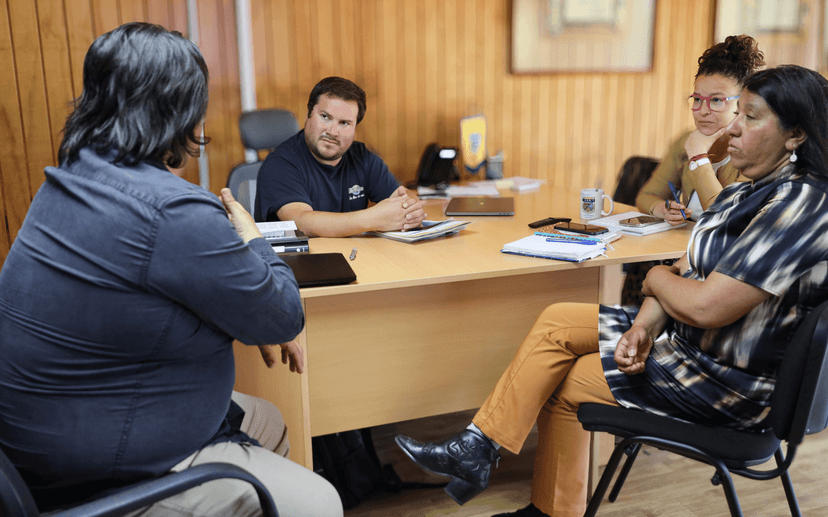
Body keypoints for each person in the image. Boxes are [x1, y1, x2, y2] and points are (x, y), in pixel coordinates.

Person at [395, 65, 828, 517]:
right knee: (557, 320)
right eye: (736, 112)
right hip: (692, 347)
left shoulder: (801, 204)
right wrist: (643, 325)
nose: (732, 128)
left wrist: (654, 278)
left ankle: (543, 505)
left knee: (568, 380)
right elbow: (687, 268)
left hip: (724, 385)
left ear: (795, 134)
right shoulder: (751, 190)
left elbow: (703, 304)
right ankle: (479, 447)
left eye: (750, 117)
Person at [0, 23, 342, 517]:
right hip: (96, 473)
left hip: (46, 439)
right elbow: (284, 314)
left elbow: (145, 294)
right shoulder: (170, 210)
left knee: (266, 417)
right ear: (181, 111)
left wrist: (247, 310)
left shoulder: (69, 179)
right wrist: (251, 234)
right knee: (320, 503)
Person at [254, 76, 425, 237]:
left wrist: (411, 209)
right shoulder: (279, 164)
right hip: (298, 264)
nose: (332, 132)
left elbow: (403, 195)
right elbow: (301, 223)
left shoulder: (363, 157)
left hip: (356, 257)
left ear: (354, 129)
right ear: (309, 114)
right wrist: (373, 219)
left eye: (344, 123)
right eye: (325, 117)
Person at [636, 35, 764, 225]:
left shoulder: (756, 153)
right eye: (697, 99)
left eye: (716, 100)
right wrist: (661, 208)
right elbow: (646, 196)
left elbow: (727, 218)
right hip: (684, 245)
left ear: (743, 102)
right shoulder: (686, 141)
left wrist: (698, 158)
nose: (703, 111)